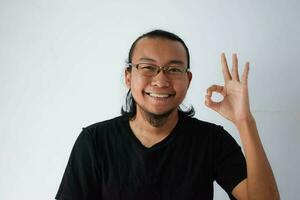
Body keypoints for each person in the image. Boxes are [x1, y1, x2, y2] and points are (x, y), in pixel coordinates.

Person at [55, 30, 280, 200]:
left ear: (188, 80)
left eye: (173, 69)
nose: (161, 80)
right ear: (128, 76)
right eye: (147, 67)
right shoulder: (95, 141)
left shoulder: (211, 141)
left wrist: (244, 121)